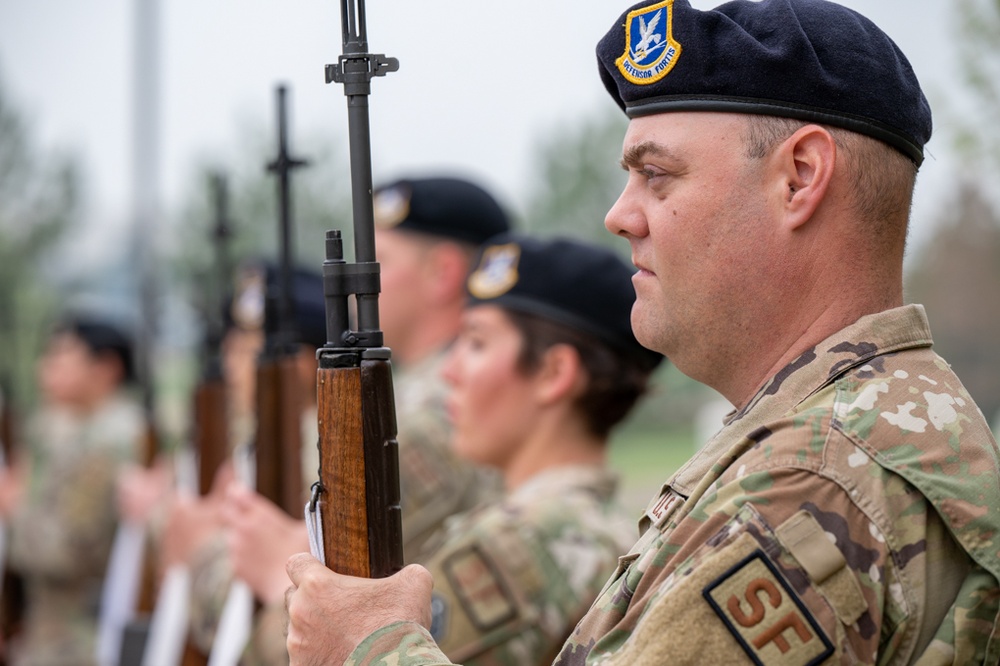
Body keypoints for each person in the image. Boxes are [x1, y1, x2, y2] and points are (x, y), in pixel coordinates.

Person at [283, 1, 1000, 664]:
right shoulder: (850, 433)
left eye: (657, 175)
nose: (620, 216)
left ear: (799, 177)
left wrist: (369, 645)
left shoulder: (822, 480)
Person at [410, 233, 663, 665]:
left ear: (553, 372)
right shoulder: (615, 533)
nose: (450, 372)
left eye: (476, 342)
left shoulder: (518, 538)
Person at [0, 315, 146, 666]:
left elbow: (70, 550)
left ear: (106, 367)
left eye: (63, 354)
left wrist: (13, 509)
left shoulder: (110, 441)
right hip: (53, 636)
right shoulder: (72, 430)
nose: (46, 366)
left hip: (79, 643)